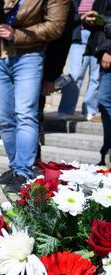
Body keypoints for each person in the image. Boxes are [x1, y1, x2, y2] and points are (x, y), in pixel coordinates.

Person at [0, 0, 69, 191]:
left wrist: (17, 35)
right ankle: (15, 167)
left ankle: (24, 171)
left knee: (25, 114)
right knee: (3, 118)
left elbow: (57, 26)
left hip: (29, 56)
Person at [62, 0, 100, 122]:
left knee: (96, 76)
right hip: (79, 36)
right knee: (75, 74)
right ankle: (66, 110)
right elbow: (68, 15)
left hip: (99, 37)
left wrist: (98, 18)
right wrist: (82, 17)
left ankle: (90, 110)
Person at [84, 3, 111, 164]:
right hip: (101, 51)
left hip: (107, 52)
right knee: (104, 103)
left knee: (105, 101)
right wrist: (88, 20)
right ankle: (106, 153)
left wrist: (109, 49)